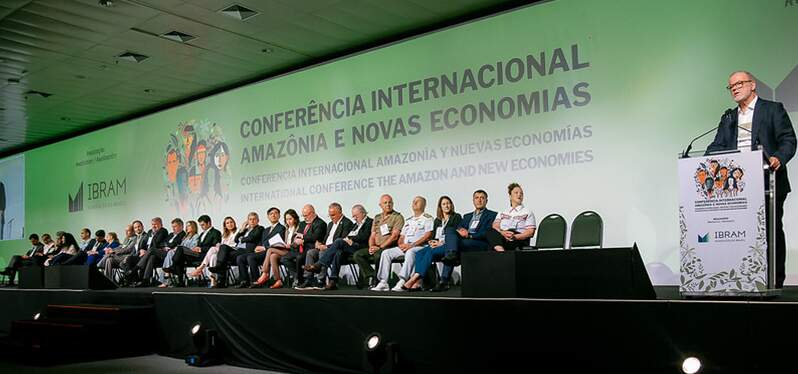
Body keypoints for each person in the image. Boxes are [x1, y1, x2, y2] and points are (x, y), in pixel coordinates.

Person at [706, 70, 796, 288]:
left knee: (770, 231)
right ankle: (744, 278)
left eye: (739, 83)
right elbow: (716, 146)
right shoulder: (729, 117)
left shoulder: (772, 109)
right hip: (736, 188)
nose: (735, 88)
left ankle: (774, 280)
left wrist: (778, 158)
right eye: (731, 86)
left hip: (768, 181)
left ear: (753, 85)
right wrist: (709, 158)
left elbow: (788, 140)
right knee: (740, 234)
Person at [435, 190, 498, 291]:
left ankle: (444, 280)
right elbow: (459, 227)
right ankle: (452, 254)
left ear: (486, 200)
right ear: (473, 200)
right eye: (477, 198)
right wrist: (460, 231)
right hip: (464, 241)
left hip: (479, 243)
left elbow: (488, 232)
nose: (479, 200)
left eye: (482, 198)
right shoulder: (467, 216)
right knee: (450, 230)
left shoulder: (492, 215)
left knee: (453, 245)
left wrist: (470, 236)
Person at [303, 204, 373, 290]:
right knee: (337, 252)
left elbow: (364, 236)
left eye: (356, 216)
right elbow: (348, 236)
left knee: (339, 241)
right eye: (353, 216)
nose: (354, 218)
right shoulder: (355, 224)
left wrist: (350, 239)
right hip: (348, 246)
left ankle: (319, 266)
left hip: (360, 247)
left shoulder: (369, 222)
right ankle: (333, 281)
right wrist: (320, 244)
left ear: (363, 213)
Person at [371, 196, 434, 292]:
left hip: (420, 247)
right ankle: (383, 282)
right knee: (386, 253)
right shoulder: (409, 220)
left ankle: (402, 280)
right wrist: (401, 244)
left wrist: (411, 245)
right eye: (413, 201)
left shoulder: (427, 218)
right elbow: (401, 236)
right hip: (406, 246)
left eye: (417, 201)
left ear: (424, 205)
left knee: (410, 252)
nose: (414, 202)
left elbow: (427, 235)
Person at [402, 196, 463, 291]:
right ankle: (419, 282)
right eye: (444, 204)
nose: (446, 205)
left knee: (430, 252)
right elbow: (434, 236)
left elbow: (455, 235)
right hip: (437, 245)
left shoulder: (456, 217)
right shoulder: (437, 220)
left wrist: (441, 242)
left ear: (451, 205)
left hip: (448, 246)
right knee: (419, 253)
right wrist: (432, 241)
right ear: (440, 207)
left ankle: (415, 278)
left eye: (448, 203)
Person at [296, 202, 353, 290]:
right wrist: (320, 244)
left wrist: (327, 247)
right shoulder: (330, 224)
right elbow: (326, 238)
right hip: (325, 247)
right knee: (311, 252)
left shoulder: (347, 223)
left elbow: (342, 241)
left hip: (334, 250)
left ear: (340, 213)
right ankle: (308, 279)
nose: (331, 217)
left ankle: (321, 280)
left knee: (322, 252)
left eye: (333, 215)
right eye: (329, 215)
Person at [352, 194, 404, 289]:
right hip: (376, 247)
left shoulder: (397, 217)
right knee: (357, 255)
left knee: (378, 255)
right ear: (380, 205)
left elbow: (394, 236)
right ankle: (372, 275)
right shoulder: (377, 217)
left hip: (389, 247)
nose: (388, 205)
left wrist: (380, 247)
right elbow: (372, 235)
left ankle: (378, 281)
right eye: (385, 203)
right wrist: (371, 247)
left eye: (390, 202)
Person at [235, 207, 284, 288]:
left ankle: (256, 281)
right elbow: (262, 241)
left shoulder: (281, 228)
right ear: (268, 216)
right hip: (262, 251)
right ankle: (244, 281)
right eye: (271, 214)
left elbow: (278, 241)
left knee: (251, 257)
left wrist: (264, 247)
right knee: (240, 258)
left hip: (272, 251)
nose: (273, 215)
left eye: (275, 213)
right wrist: (259, 247)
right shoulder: (266, 229)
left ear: (279, 215)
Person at [210, 212, 264, 287]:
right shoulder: (245, 230)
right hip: (239, 250)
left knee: (226, 256)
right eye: (250, 219)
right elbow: (236, 239)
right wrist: (242, 229)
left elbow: (252, 237)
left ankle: (221, 279)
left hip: (248, 251)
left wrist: (242, 239)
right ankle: (220, 269)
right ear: (247, 221)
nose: (252, 221)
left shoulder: (260, 228)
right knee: (223, 247)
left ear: (258, 220)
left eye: (254, 219)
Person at [252, 209, 300, 289]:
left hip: (293, 251)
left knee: (270, 250)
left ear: (295, 219)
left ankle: (264, 273)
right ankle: (278, 280)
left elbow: (298, 242)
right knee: (273, 256)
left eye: (290, 219)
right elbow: (284, 242)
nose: (289, 221)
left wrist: (290, 245)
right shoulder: (287, 230)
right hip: (286, 250)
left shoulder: (298, 228)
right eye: (287, 219)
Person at [282, 204, 326, 289]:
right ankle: (297, 276)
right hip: (299, 248)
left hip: (311, 248)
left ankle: (301, 280)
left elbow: (316, 237)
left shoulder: (320, 223)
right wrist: (296, 241)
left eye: (306, 215)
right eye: (303, 215)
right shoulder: (302, 224)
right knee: (284, 258)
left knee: (299, 257)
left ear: (312, 213)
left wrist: (303, 239)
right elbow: (297, 235)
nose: (304, 217)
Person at [486, 183, 537, 252]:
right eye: (516, 193)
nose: (519, 195)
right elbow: (495, 225)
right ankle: (501, 251)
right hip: (503, 236)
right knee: (489, 231)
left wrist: (514, 237)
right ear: (510, 196)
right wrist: (502, 233)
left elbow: (530, 232)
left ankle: (500, 252)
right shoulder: (503, 211)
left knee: (492, 244)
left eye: (521, 193)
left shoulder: (527, 212)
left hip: (518, 238)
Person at [175, 214, 222, 285]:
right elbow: (199, 245)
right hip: (197, 254)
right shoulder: (202, 234)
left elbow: (215, 247)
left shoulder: (215, 232)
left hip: (206, 255)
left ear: (209, 223)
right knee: (180, 256)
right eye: (200, 225)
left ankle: (173, 266)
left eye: (203, 225)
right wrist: (196, 248)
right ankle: (180, 281)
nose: (201, 227)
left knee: (180, 249)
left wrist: (201, 249)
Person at [126, 217, 169, 286]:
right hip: (145, 255)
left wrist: (154, 235)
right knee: (130, 258)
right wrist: (142, 250)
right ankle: (134, 281)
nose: (154, 226)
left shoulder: (163, 231)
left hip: (157, 256)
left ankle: (143, 278)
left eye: (156, 224)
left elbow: (156, 244)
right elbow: (144, 243)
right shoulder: (149, 232)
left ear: (161, 224)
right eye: (152, 224)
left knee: (151, 255)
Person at [161, 220, 199, 287]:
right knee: (173, 253)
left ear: (193, 227)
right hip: (183, 254)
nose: (187, 227)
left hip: (191, 254)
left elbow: (193, 247)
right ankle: (180, 282)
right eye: (186, 226)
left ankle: (172, 268)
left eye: (189, 226)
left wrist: (180, 248)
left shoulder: (196, 236)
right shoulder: (185, 237)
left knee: (179, 249)